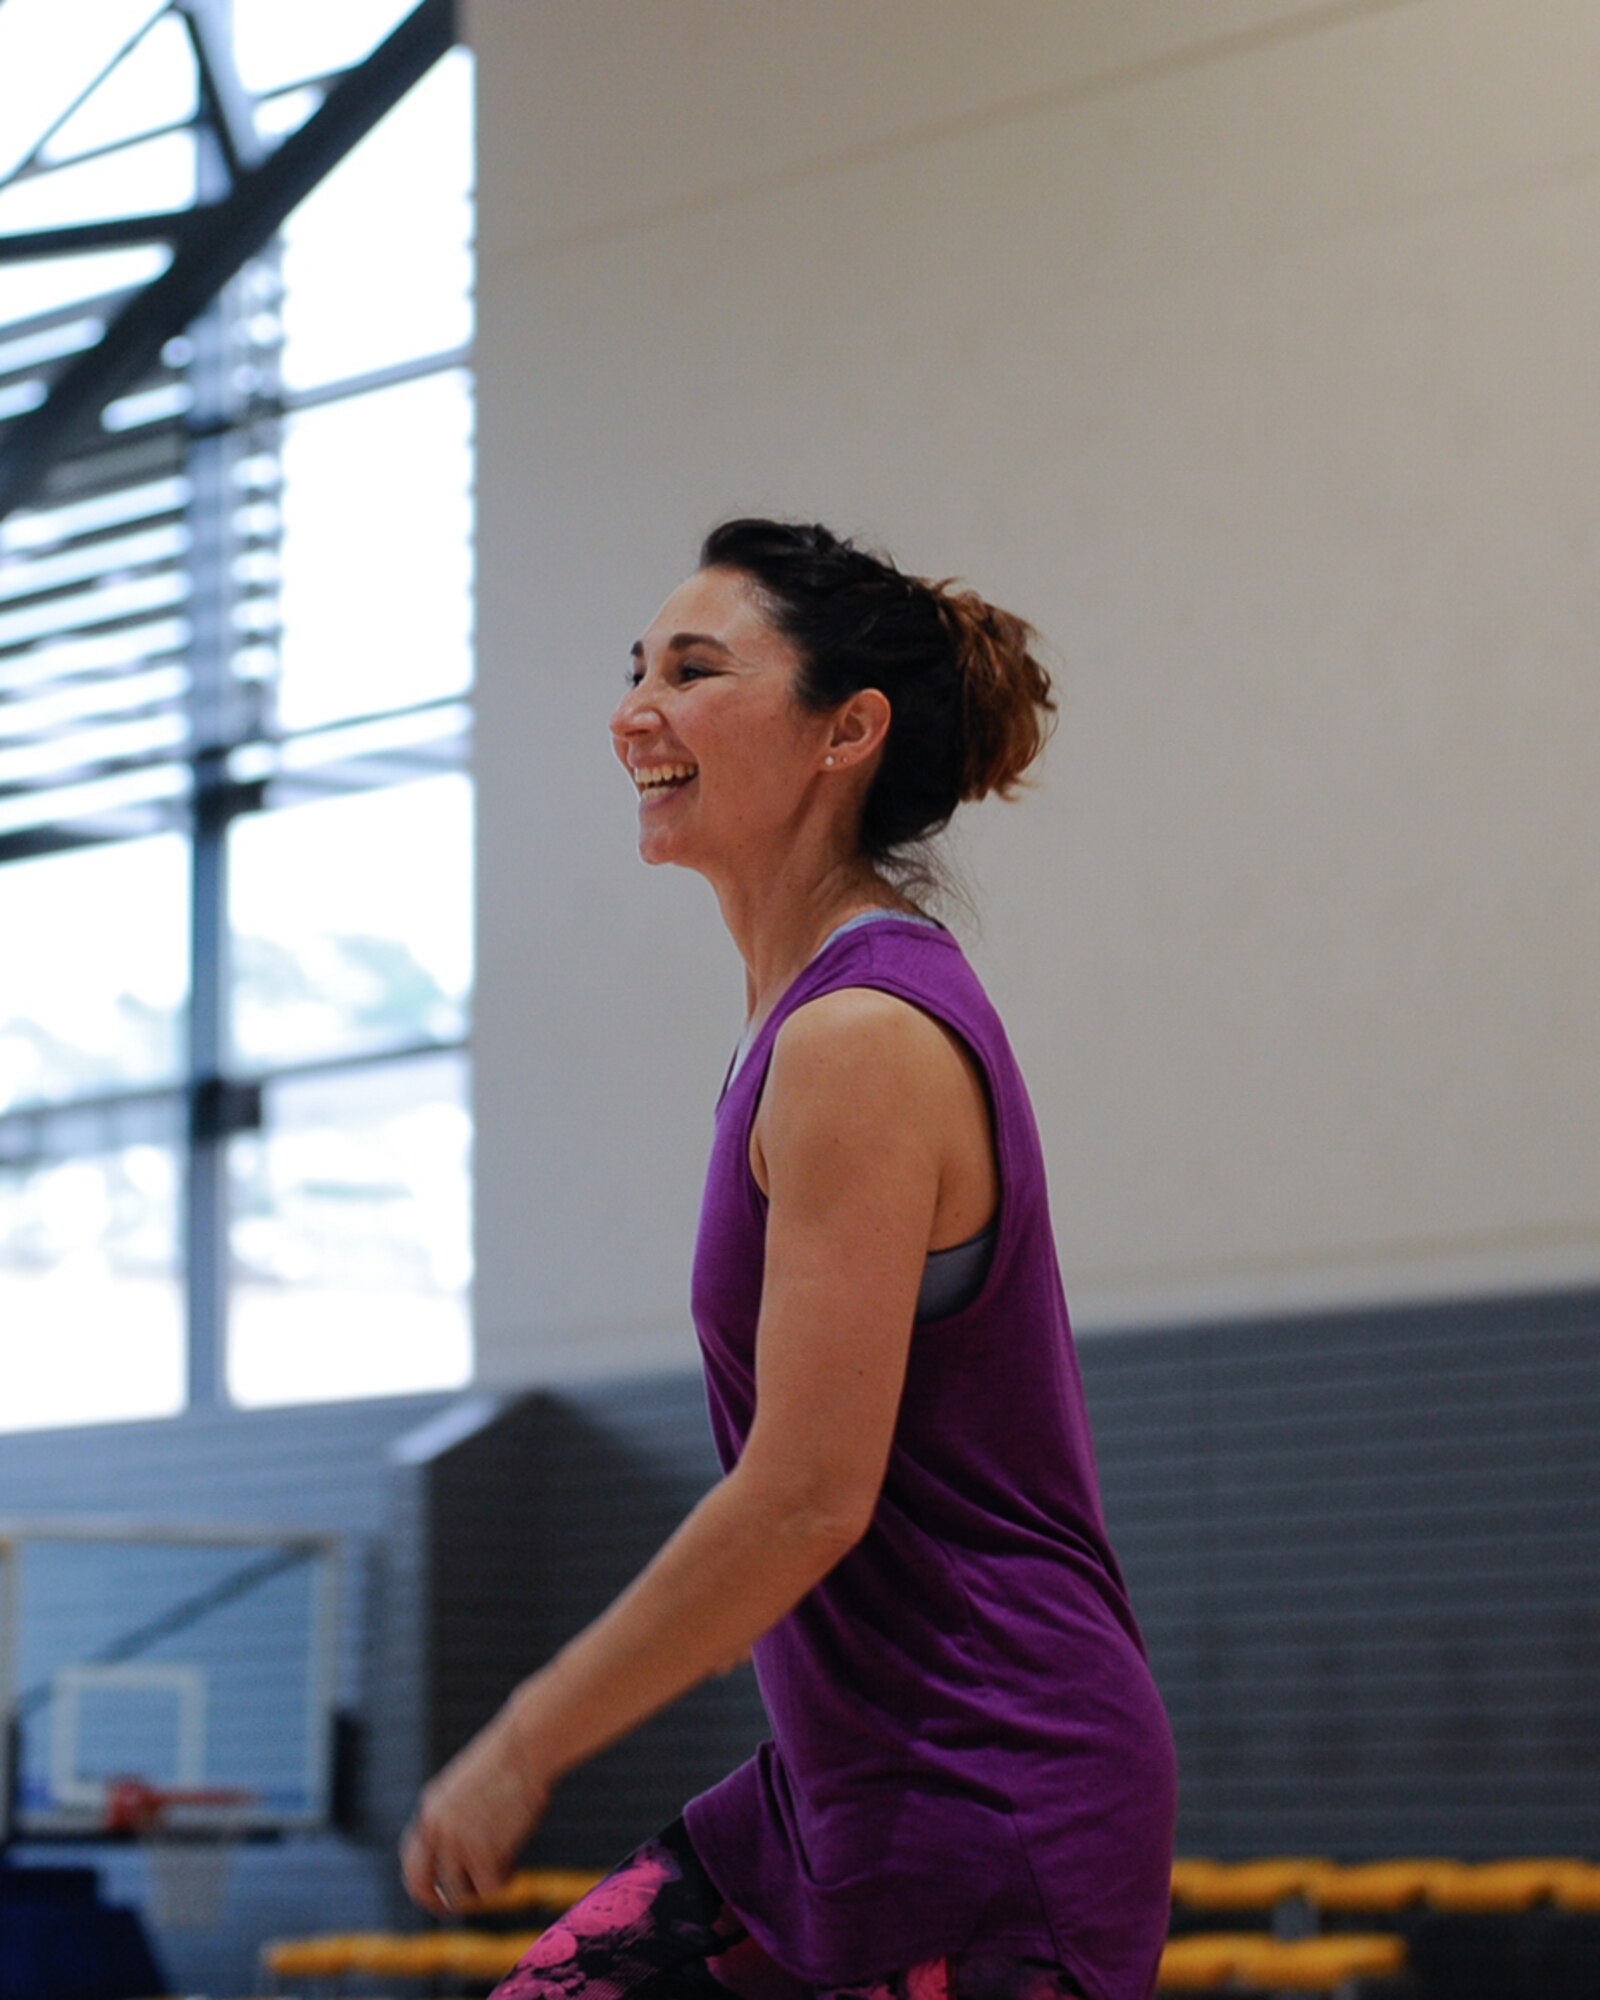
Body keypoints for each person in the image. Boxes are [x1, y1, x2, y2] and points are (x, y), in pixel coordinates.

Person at [401, 519, 1178, 2000]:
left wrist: (526, 1738)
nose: (638, 709)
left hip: (990, 1789)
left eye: (696, 671)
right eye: (638, 670)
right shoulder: (804, 1023)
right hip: (832, 1792)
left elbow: (807, 1496)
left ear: (848, 732)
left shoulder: (860, 1039)